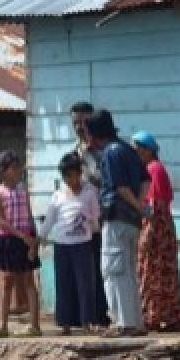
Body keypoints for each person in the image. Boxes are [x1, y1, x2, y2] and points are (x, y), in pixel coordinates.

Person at [86, 109, 149, 337]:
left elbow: (120, 187)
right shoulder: (128, 150)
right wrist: (140, 205)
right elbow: (144, 180)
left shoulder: (110, 153)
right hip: (132, 220)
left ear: (94, 134)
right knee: (128, 270)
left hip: (116, 216)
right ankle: (135, 322)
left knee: (113, 270)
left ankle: (124, 323)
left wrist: (136, 205)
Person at [131, 131, 180, 333]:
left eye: (138, 148)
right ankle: (169, 317)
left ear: (148, 150)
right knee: (162, 273)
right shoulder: (151, 168)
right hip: (161, 226)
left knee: (152, 272)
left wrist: (147, 233)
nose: (136, 152)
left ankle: (153, 317)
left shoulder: (153, 169)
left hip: (156, 227)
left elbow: (155, 203)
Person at [41, 152, 101, 335]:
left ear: (79, 173)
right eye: (67, 176)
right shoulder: (58, 196)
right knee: (64, 284)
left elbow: (96, 215)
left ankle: (87, 322)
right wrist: (41, 237)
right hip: (62, 244)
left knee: (85, 284)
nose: (71, 180)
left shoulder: (89, 192)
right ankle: (65, 323)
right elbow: (50, 219)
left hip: (83, 243)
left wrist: (95, 231)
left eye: (74, 175)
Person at [0, 150, 41, 338]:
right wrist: (22, 236)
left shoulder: (23, 190)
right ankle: (2, 325)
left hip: (26, 238)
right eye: (14, 167)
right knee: (6, 281)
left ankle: (35, 325)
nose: (18, 170)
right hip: (8, 239)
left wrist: (34, 239)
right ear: (3, 170)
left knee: (29, 281)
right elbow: (1, 220)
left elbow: (29, 215)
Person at [70, 100, 110, 328]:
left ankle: (104, 314)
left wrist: (86, 163)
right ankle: (87, 316)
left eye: (83, 122)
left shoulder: (104, 150)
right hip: (80, 220)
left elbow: (104, 180)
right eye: (75, 122)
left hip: (104, 217)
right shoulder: (74, 151)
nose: (79, 127)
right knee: (85, 271)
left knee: (104, 267)